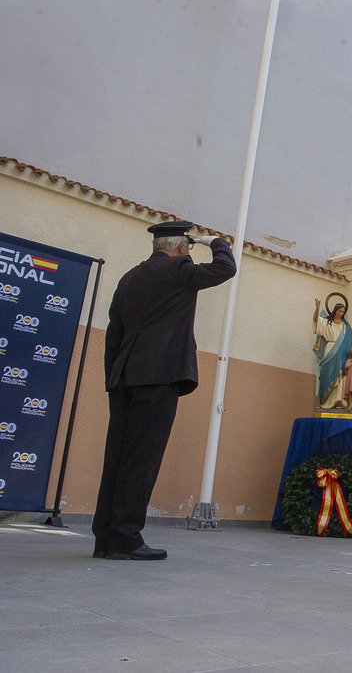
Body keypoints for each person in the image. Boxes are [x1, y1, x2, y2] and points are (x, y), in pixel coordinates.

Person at [93, 220, 235, 560]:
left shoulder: (130, 278)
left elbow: (115, 332)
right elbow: (225, 268)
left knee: (117, 458)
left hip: (124, 379)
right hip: (157, 378)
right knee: (142, 460)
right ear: (182, 247)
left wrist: (113, 376)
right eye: (187, 245)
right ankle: (126, 538)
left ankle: (106, 539)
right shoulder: (180, 272)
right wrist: (215, 241)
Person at [312, 298, 352, 410]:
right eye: (339, 311)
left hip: (343, 353)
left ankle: (340, 401)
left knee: (342, 376)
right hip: (330, 349)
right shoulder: (327, 322)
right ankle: (326, 403)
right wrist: (317, 308)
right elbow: (315, 320)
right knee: (327, 374)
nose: (341, 313)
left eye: (343, 312)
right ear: (335, 311)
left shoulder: (346, 326)